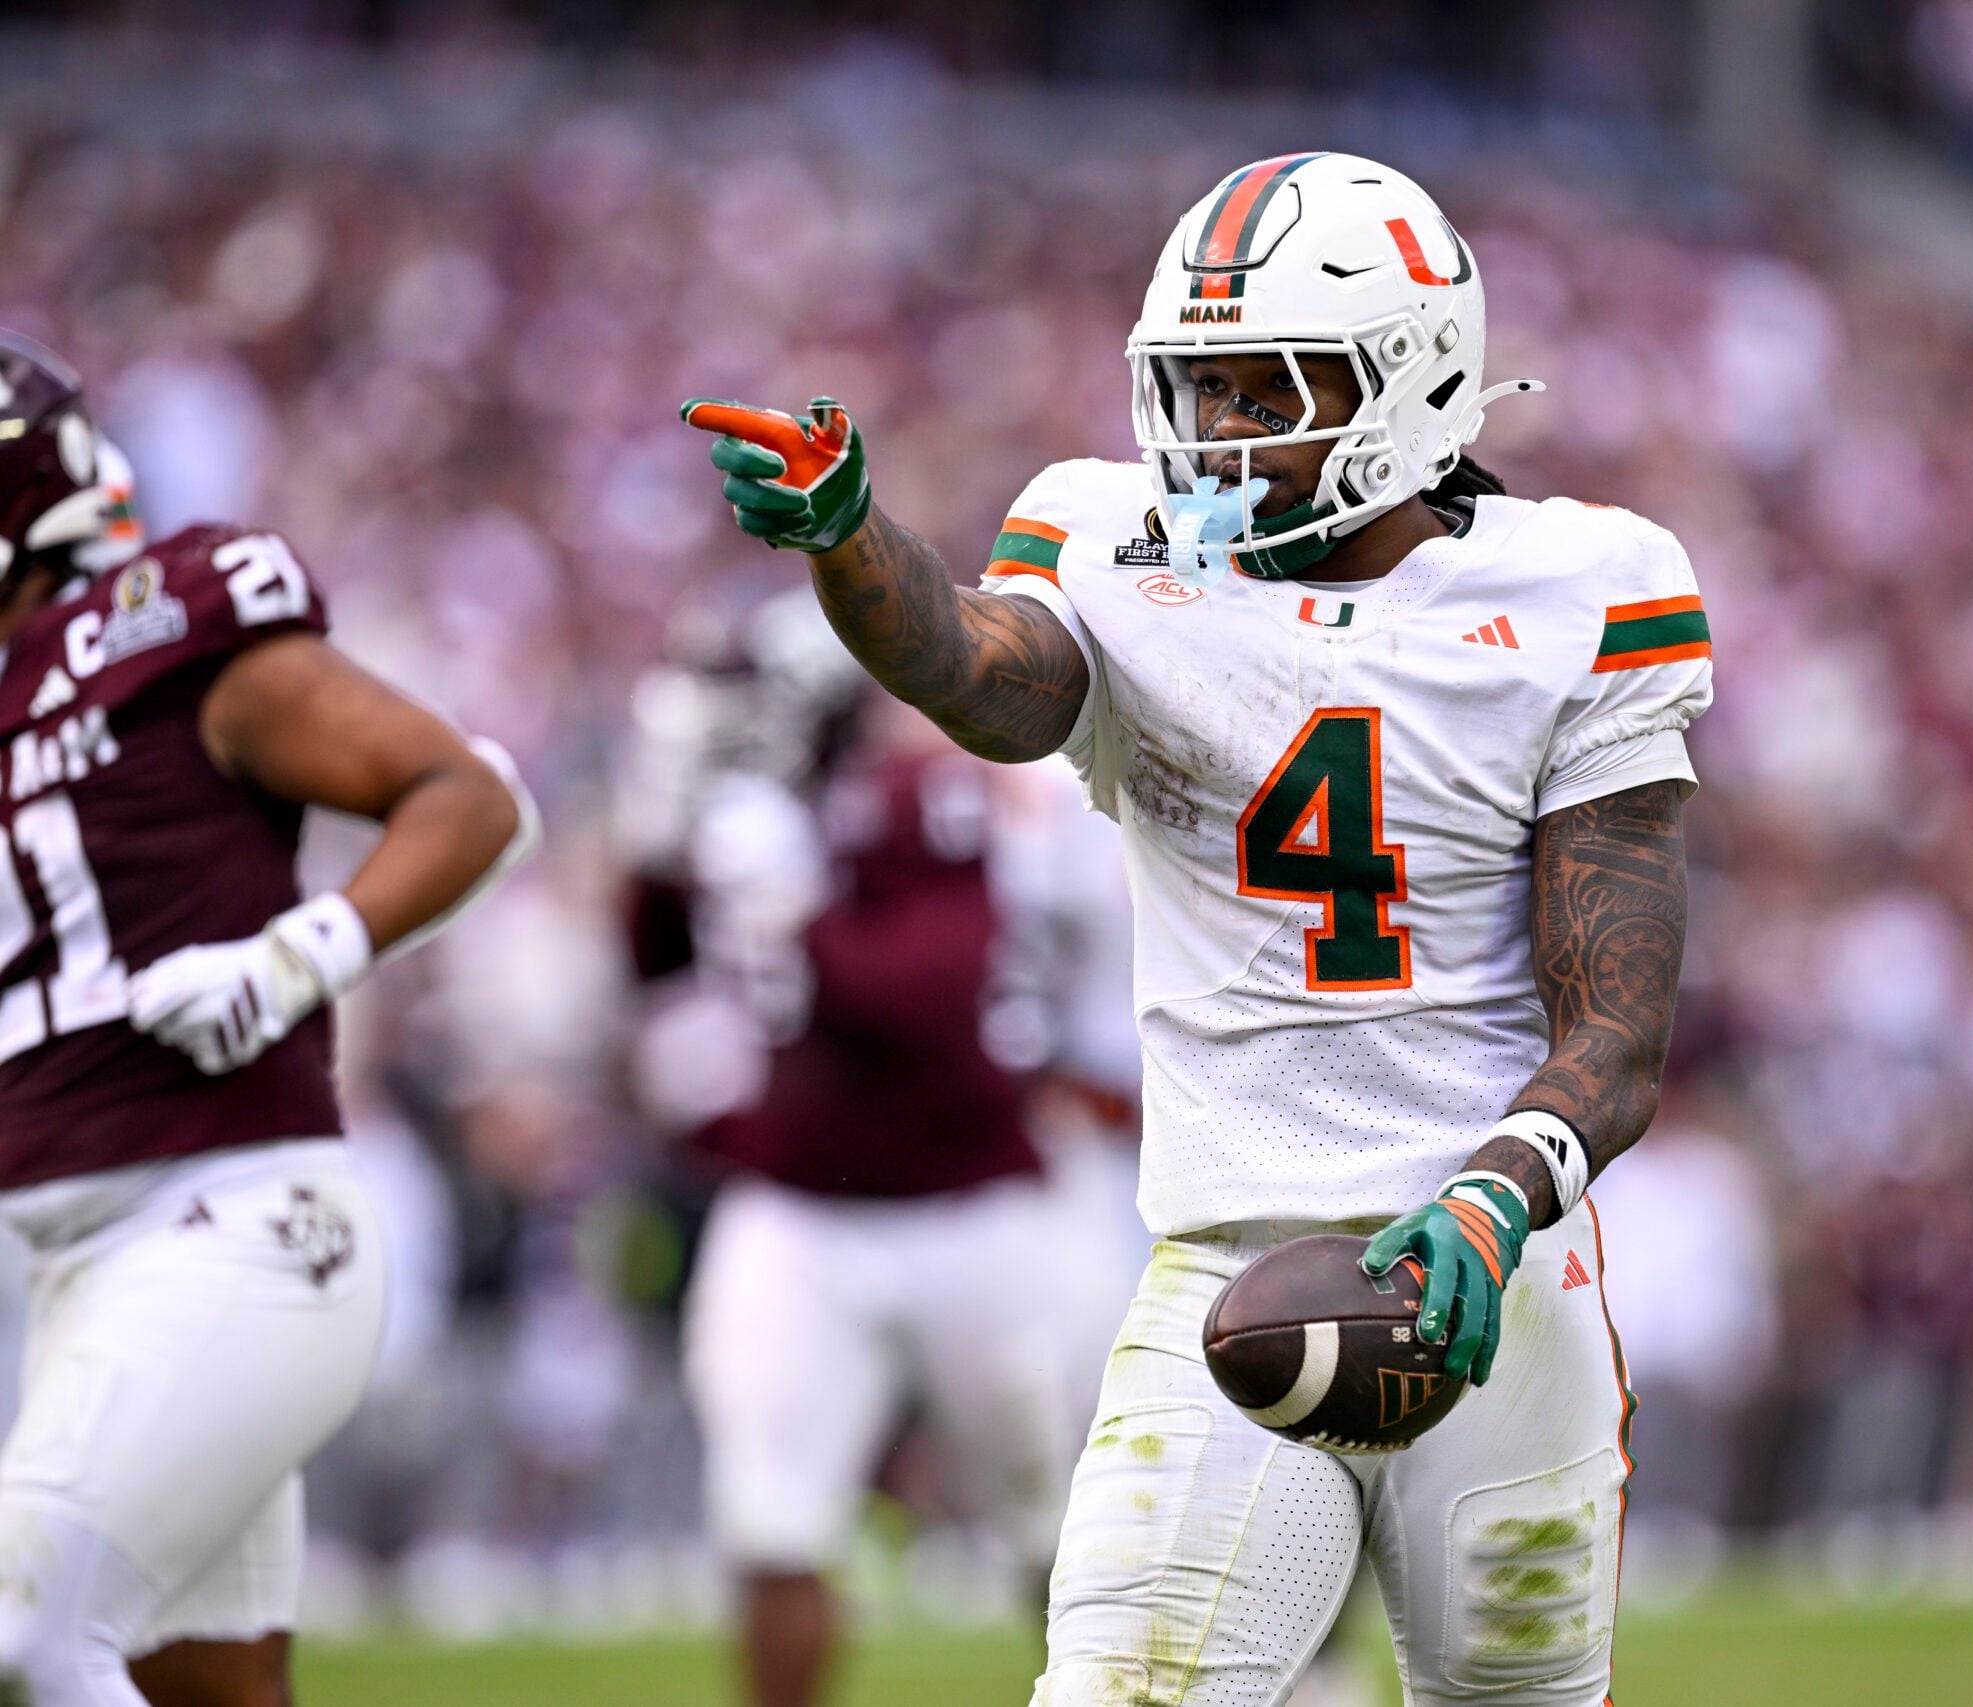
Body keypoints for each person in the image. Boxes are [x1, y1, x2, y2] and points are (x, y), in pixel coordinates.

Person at [683, 151, 1710, 1705]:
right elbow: (982, 668)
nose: (1217, 430)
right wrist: (850, 539)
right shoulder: (1115, 547)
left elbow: (1618, 1021)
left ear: (1413, 378)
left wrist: (1496, 1202)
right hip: (1230, 1257)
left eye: (1265, 385)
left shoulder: (1586, 588)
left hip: (1500, 1269)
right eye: (1198, 385)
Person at [0, 330, 537, 1706]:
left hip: (222, 1221)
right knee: (214, 1692)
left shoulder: (152, 627)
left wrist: (294, 957)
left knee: (23, 1631)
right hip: (44, 1261)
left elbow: (469, 795)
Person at [615, 593, 1070, 1707]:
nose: (717, 734)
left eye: (742, 707)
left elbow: (929, 1001)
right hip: (799, 1209)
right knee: (770, 1521)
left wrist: (800, 912)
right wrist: (658, 867)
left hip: (970, 1206)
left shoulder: (925, 796)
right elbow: (659, 985)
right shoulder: (721, 827)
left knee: (1056, 1529)